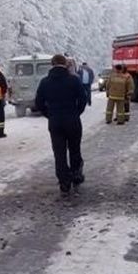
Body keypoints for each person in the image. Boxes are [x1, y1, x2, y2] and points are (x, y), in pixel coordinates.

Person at [35, 54, 88, 196]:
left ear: (51, 65)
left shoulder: (45, 82)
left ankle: (64, 183)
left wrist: (49, 114)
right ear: (65, 64)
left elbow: (38, 103)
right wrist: (76, 112)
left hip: (55, 122)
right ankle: (76, 176)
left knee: (59, 153)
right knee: (74, 149)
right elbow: (83, 99)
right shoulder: (74, 80)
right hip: (72, 121)